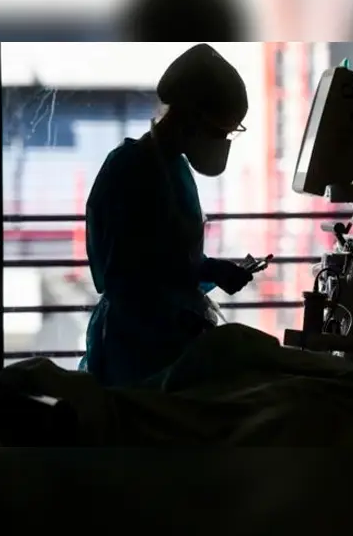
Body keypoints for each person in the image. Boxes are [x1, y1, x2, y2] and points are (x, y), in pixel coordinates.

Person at [79, 44, 255, 387]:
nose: (223, 142)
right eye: (221, 132)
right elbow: (124, 275)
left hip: (169, 342)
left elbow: (171, 259)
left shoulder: (175, 169)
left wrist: (210, 270)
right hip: (135, 349)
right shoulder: (129, 169)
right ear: (191, 117)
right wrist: (196, 280)